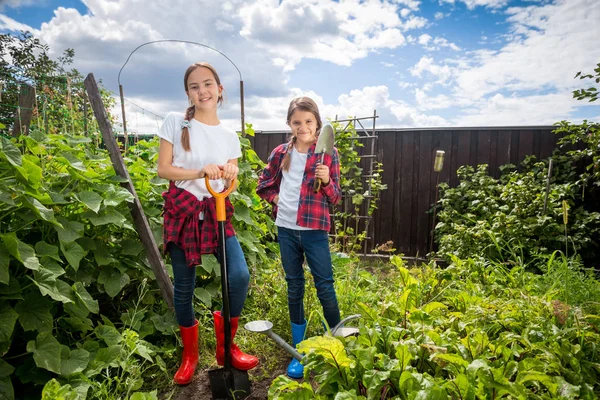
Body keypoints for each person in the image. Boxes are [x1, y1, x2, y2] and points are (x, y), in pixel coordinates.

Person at [157, 62, 258, 385]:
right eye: (194, 86)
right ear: (188, 93)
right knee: (184, 288)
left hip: (216, 209)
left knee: (239, 275)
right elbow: (164, 169)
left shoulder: (229, 136)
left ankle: (225, 348)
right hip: (184, 211)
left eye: (208, 84)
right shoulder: (176, 122)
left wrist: (231, 173)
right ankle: (190, 356)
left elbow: (233, 179)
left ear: (220, 89)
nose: (202, 91)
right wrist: (201, 171)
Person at [256, 96, 342, 379]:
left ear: (317, 124)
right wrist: (277, 198)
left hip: (315, 231)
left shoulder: (328, 155)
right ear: (289, 124)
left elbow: (336, 198)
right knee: (295, 287)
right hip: (287, 230)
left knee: (325, 286)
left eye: (308, 121)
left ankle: (339, 344)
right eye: (297, 122)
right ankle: (299, 351)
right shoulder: (281, 153)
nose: (302, 126)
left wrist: (327, 180)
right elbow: (264, 184)